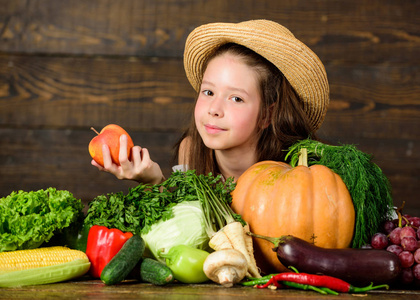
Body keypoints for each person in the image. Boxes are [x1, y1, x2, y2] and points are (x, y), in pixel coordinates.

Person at [91, 19, 329, 184]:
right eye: (208, 92)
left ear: (267, 115)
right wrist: (153, 179)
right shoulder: (191, 151)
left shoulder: (298, 169)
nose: (215, 109)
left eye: (236, 98)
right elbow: (190, 220)